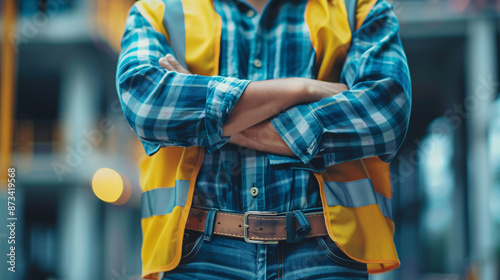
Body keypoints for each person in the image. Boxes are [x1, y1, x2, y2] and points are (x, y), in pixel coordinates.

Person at [116, 0, 411, 279]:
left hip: (326, 252)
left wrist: (207, 117)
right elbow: (147, 104)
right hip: (198, 254)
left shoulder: (358, 7)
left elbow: (384, 114)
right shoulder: (161, 10)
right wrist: (302, 88)